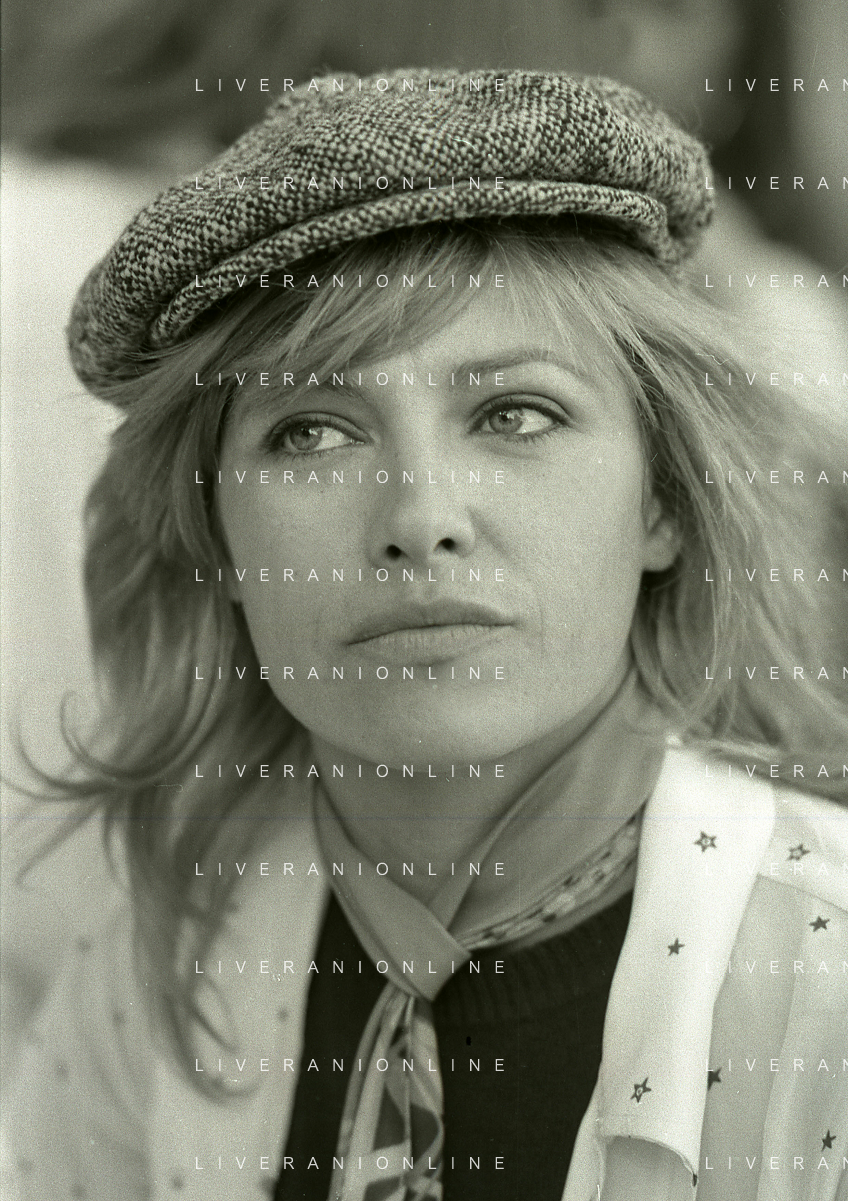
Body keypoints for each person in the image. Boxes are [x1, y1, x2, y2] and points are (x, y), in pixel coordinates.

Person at [5, 69, 847, 1201]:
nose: (419, 517)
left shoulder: (826, 988)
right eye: (311, 432)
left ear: (662, 502)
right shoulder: (155, 981)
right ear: (217, 542)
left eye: (514, 414)